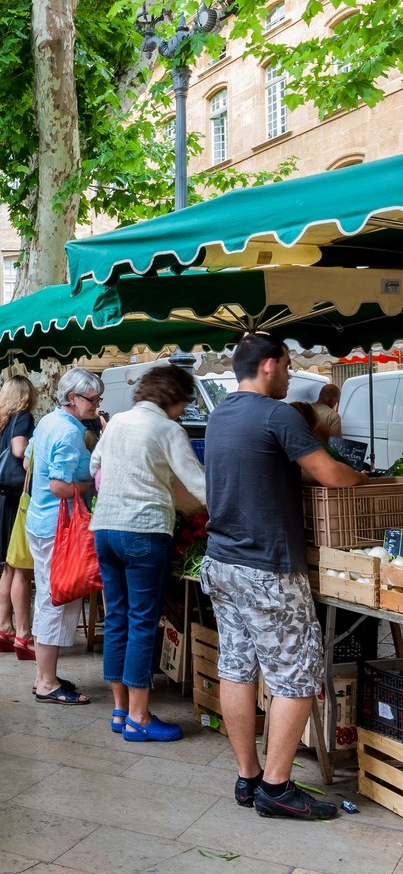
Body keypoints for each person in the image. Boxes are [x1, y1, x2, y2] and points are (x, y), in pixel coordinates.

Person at [200, 332, 365, 821]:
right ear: (269, 365)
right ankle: (277, 787)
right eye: (288, 365)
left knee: (237, 667)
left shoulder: (220, 414)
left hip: (222, 561)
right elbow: (331, 475)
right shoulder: (276, 415)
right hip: (267, 567)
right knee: (296, 675)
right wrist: (368, 480)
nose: (291, 375)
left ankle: (249, 777)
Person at [90, 365, 207, 742]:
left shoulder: (118, 422)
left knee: (118, 619)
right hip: (143, 531)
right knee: (143, 623)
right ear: (173, 398)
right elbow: (200, 485)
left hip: (105, 529)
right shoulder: (168, 429)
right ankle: (140, 719)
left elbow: (96, 467)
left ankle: (121, 710)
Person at [25, 369, 105, 705]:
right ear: (71, 397)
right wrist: (91, 483)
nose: (96, 405)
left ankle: (46, 675)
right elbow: (58, 485)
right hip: (58, 528)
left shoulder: (49, 420)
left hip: (42, 522)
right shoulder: (70, 432)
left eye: (98, 399)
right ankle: (45, 682)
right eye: (92, 399)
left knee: (50, 595)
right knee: (56, 600)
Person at [0, 376, 36, 657]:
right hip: (20, 498)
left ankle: (4, 628)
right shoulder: (23, 417)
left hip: (7, 499)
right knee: (21, 570)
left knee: (9, 567)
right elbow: (20, 452)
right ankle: (24, 635)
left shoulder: (4, 420)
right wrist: (34, 454)